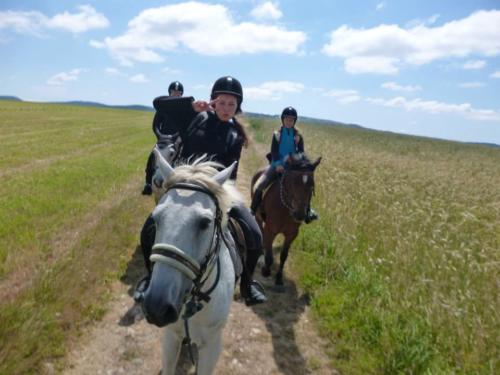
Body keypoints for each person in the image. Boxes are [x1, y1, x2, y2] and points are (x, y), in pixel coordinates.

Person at [135, 76, 267, 306]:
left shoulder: (235, 134)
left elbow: (230, 173)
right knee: (148, 229)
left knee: (255, 233)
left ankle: (247, 284)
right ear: (213, 102)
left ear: (238, 107)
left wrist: (217, 190)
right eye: (222, 102)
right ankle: (149, 278)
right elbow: (160, 104)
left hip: (218, 187)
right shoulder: (195, 118)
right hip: (184, 183)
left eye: (231, 104)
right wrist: (188, 107)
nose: (226, 109)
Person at [250, 106, 319, 223]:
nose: (289, 122)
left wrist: (300, 161)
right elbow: (274, 152)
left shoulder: (298, 136)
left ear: (294, 121)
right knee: (260, 185)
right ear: (283, 120)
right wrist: (277, 165)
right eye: (287, 119)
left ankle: (307, 212)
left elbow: (301, 154)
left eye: (291, 120)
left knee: (305, 187)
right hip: (276, 165)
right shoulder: (277, 134)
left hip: (293, 167)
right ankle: (252, 210)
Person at [142, 81, 184, 195]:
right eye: (173, 92)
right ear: (169, 93)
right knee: (152, 157)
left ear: (181, 94)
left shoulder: (183, 109)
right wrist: (160, 136)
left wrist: (178, 136)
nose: (176, 95)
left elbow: (184, 125)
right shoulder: (163, 108)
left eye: (178, 93)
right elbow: (155, 125)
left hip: (178, 139)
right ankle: (148, 184)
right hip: (163, 139)